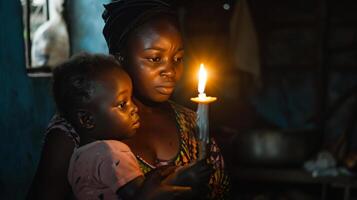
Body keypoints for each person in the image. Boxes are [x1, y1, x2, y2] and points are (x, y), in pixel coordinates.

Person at [27, 0, 230, 199]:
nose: (170, 70)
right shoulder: (76, 130)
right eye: (154, 58)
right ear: (120, 57)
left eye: (178, 58)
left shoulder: (193, 125)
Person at [52, 53, 210, 200]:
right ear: (87, 120)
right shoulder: (112, 152)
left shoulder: (78, 156)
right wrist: (185, 180)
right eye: (122, 104)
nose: (134, 108)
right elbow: (143, 196)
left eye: (130, 100)